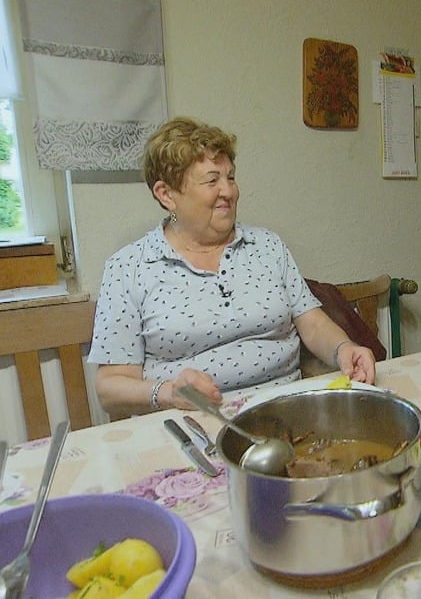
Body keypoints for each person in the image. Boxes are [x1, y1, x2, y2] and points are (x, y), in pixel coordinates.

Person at [89, 116, 376, 417]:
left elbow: (313, 324)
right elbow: (110, 387)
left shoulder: (268, 246)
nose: (229, 191)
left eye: (231, 177)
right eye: (212, 180)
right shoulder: (129, 268)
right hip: (190, 424)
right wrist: (170, 392)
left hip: (286, 415)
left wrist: (344, 348)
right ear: (166, 194)